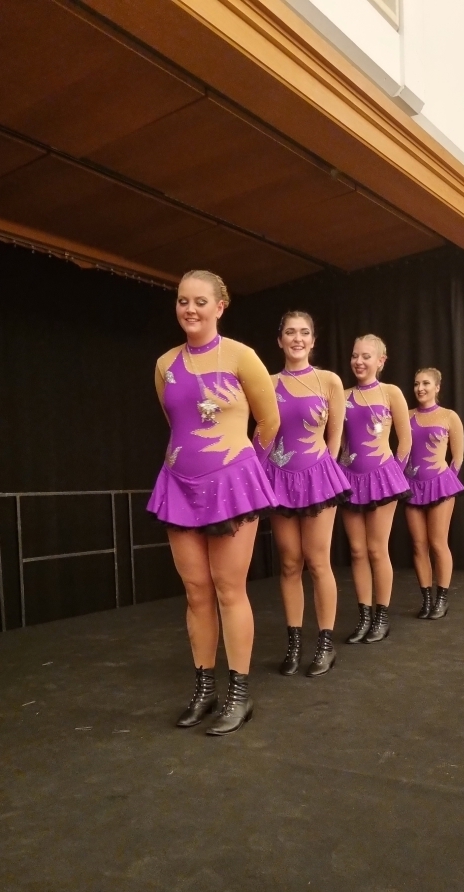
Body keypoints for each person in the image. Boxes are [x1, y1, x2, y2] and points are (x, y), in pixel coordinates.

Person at [147, 270, 280, 736]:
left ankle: (238, 695)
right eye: (183, 300)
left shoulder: (242, 356)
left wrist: (243, 469)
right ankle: (204, 689)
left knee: (228, 589)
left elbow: (269, 421)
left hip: (231, 486)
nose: (190, 309)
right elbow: (174, 421)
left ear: (220, 306)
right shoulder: (165, 363)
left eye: (200, 301)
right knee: (196, 591)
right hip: (179, 484)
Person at [257, 312, 350, 677]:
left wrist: (325, 471)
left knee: (317, 560)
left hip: (317, 477)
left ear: (313, 341)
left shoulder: (329, 381)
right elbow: (262, 432)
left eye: (304, 333)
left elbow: (336, 434)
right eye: (290, 332)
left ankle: (325, 644)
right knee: (289, 562)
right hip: (278, 478)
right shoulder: (266, 382)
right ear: (279, 340)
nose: (297, 338)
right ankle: (294, 643)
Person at [339, 334, 411, 643]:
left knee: (376, 549)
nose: (359, 361)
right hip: (350, 478)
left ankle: (381, 616)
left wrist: (393, 474)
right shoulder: (343, 395)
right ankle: (364, 616)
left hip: (382, 477)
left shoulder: (391, 392)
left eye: (366, 356)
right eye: (355, 355)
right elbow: (339, 441)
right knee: (357, 551)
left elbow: (405, 441)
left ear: (380, 361)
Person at [404, 367, 464, 620]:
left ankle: (442, 598)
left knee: (438, 543)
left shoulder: (449, 416)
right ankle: (427, 598)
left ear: (437, 387)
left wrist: (446, 483)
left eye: (426, 383)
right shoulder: (406, 415)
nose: (420, 388)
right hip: (411, 486)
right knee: (419, 545)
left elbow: (457, 458)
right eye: (417, 383)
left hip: (440, 485)